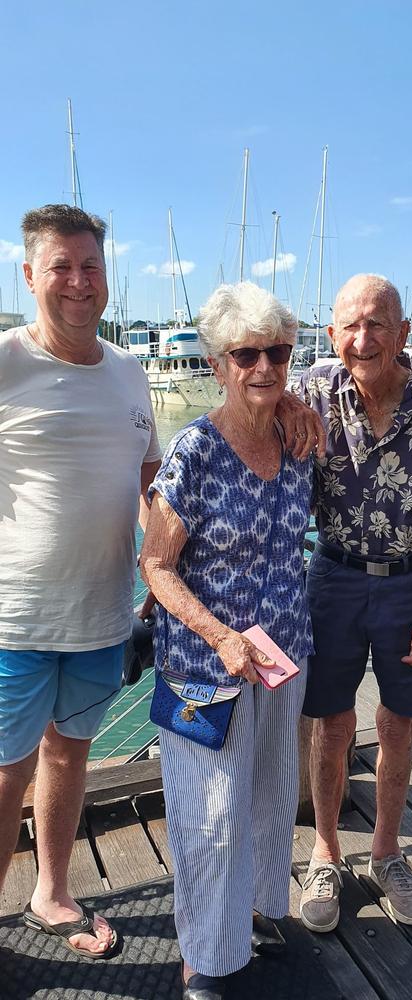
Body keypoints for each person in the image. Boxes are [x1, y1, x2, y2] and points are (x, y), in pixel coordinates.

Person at [284, 274, 412, 932]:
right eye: (350, 325)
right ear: (332, 333)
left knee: (399, 724)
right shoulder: (310, 394)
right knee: (332, 724)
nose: (363, 339)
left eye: (377, 325)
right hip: (333, 578)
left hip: (411, 583)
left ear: (402, 333)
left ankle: (388, 853)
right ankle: (326, 851)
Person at [140, 282, 313, 1000]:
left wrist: (294, 405)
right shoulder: (195, 452)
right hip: (203, 669)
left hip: (283, 658)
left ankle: (248, 914)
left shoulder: (299, 433)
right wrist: (217, 635)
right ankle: (203, 960)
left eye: (277, 351)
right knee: (208, 816)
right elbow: (155, 565)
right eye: (247, 354)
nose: (264, 367)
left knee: (270, 796)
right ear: (217, 362)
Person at [0, 204, 161, 958]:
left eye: (90, 266)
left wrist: (163, 576)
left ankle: (53, 893)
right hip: (14, 620)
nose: (77, 281)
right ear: (29, 274)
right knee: (4, 776)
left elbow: (151, 481)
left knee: (70, 756)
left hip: (103, 615)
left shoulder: (131, 371)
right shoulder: (6, 361)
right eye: (60, 265)